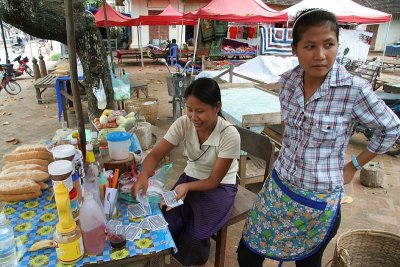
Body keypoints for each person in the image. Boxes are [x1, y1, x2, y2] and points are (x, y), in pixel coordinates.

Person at [237, 9, 400, 267]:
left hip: (319, 201)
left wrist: (354, 166)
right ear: (295, 49)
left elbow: (391, 128)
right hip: (279, 189)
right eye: (310, 46)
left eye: (329, 44)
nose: (321, 55)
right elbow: (288, 124)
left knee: (308, 263)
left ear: (337, 45)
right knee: (247, 254)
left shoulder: (352, 90)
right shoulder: (288, 82)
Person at [133, 77, 240, 266]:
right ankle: (166, 258)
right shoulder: (183, 123)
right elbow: (155, 156)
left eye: (200, 111)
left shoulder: (229, 135)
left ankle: (185, 262)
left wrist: (187, 186)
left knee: (195, 236)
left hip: (220, 186)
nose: (193, 117)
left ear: (217, 107)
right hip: (190, 178)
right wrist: (143, 176)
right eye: (189, 109)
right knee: (166, 221)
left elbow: (214, 180)